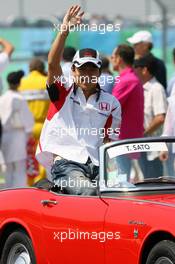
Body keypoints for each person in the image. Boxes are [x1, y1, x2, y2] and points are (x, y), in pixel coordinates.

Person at [36, 5, 121, 195]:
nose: (87, 74)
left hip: (98, 165)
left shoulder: (112, 103)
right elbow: (51, 64)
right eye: (82, 69)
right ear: (73, 71)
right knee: (89, 192)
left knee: (120, 194)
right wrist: (64, 31)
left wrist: (115, 176)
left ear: (100, 72)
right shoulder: (63, 90)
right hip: (66, 164)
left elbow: (110, 142)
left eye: (92, 69)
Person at [111, 44, 144, 177]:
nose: (111, 59)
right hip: (125, 140)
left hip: (123, 141)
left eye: (113, 56)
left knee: (121, 181)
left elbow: (110, 107)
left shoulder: (127, 80)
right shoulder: (129, 78)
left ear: (119, 59)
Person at [134, 54, 167, 178]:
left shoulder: (156, 89)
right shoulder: (141, 88)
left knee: (154, 183)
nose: (133, 70)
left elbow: (160, 117)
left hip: (154, 148)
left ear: (144, 69)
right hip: (143, 146)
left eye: (135, 67)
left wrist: (142, 134)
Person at [18, 58, 49, 186]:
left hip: (25, 128)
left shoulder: (22, 83)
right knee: (42, 157)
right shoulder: (46, 81)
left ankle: (29, 184)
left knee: (29, 157)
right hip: (43, 126)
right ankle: (39, 184)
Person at [0, 71, 34, 188]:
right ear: (19, 83)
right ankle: (19, 192)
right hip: (17, 135)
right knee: (19, 167)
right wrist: (29, 132)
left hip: (4, 135)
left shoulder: (2, 98)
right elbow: (28, 119)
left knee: (8, 167)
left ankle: (7, 192)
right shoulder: (19, 98)